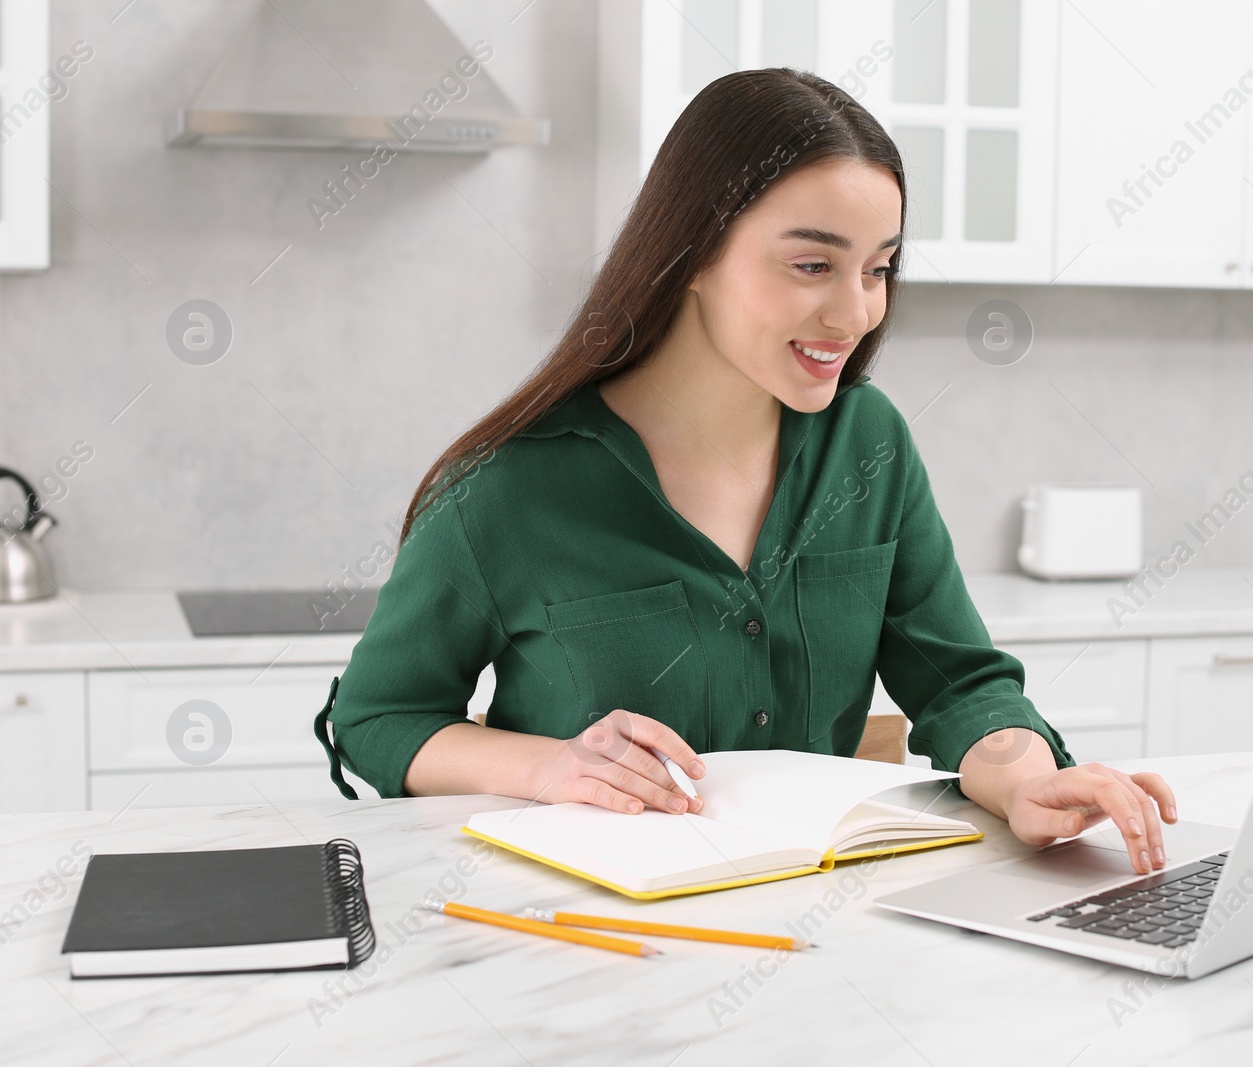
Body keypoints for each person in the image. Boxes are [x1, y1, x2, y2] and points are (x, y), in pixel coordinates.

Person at [314, 68, 1177, 875]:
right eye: (813, 265)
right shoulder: (507, 486)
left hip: (815, 929)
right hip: (588, 954)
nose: (856, 311)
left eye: (878, 268)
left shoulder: (867, 441)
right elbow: (379, 719)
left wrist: (1026, 780)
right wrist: (551, 766)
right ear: (693, 252)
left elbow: (960, 683)